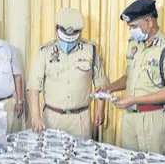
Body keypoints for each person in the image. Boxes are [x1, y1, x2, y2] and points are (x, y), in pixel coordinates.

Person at [98, 0, 165, 155]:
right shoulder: (134, 44)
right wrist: (109, 88)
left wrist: (134, 100)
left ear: (149, 21)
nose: (131, 31)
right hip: (130, 116)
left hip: (152, 119)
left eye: (134, 27)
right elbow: (129, 77)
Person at [27, 8, 107, 139]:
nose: (68, 43)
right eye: (65, 38)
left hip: (81, 119)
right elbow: (33, 87)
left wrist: (100, 109)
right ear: (56, 29)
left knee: (81, 157)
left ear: (80, 32)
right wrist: (35, 116)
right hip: (52, 118)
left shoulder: (90, 50)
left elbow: (101, 82)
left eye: (72, 38)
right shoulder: (45, 52)